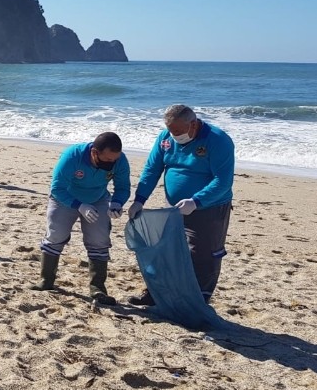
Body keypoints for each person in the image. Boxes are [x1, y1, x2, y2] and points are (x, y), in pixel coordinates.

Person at [127, 105, 235, 306]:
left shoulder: (218, 141)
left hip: (209, 207)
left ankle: (200, 298)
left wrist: (196, 201)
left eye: (177, 131)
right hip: (175, 206)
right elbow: (152, 169)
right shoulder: (166, 139)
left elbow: (223, 181)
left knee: (203, 253)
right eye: (170, 130)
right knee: (165, 248)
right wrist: (139, 199)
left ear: (193, 124)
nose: (173, 135)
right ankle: (155, 292)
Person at [32, 131, 131, 305]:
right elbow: (57, 188)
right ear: (94, 152)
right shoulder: (72, 156)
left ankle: (97, 288)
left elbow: (123, 187)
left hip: (99, 199)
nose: (111, 164)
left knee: (99, 240)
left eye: (114, 160)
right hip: (65, 198)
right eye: (107, 160)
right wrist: (79, 205)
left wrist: (117, 203)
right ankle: (46, 280)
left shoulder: (120, 160)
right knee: (55, 235)